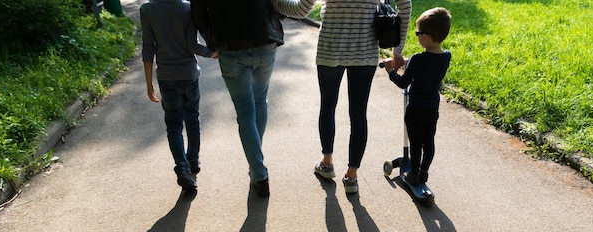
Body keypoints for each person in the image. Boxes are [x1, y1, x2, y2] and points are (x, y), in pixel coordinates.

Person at [190, 0, 316, 197]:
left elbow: (197, 11)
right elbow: (279, 5)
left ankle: (259, 172)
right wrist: (269, 19)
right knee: (260, 101)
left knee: (245, 112)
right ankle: (256, 160)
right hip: (265, 39)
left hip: (229, 44)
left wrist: (212, 40)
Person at [313, 0, 412, 194]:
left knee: (328, 107)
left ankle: (327, 163)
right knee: (359, 114)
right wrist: (397, 52)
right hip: (365, 52)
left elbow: (301, 9)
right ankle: (352, 176)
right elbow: (405, 5)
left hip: (330, 50)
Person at [140, 0, 216, 191]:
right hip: (189, 74)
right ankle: (193, 160)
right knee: (192, 118)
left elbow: (148, 48)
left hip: (166, 77)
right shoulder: (188, 7)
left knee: (173, 124)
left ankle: (182, 169)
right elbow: (193, 45)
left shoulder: (147, 10)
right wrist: (212, 53)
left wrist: (149, 83)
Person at [383, 7, 451, 185]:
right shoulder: (446, 57)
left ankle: (413, 174)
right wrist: (407, 62)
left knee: (415, 143)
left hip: (415, 110)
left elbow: (403, 82)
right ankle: (423, 172)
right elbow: (427, 66)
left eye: (417, 33)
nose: (417, 36)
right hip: (432, 109)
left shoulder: (418, 59)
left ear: (426, 37)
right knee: (428, 142)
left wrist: (391, 72)